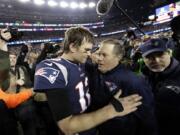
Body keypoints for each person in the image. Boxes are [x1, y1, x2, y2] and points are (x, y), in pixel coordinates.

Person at [34, 27, 142, 135]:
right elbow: (67, 127)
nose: (90, 54)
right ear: (73, 47)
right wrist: (110, 110)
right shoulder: (53, 67)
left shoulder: (82, 63)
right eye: (86, 50)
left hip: (93, 125)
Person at [89, 39, 157, 135]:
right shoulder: (94, 71)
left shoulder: (133, 81)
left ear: (118, 57)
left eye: (104, 55)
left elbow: (147, 116)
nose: (99, 58)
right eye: (99, 54)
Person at [139, 38, 180, 135]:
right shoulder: (142, 79)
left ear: (169, 53)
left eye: (160, 55)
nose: (156, 60)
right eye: (149, 57)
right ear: (143, 59)